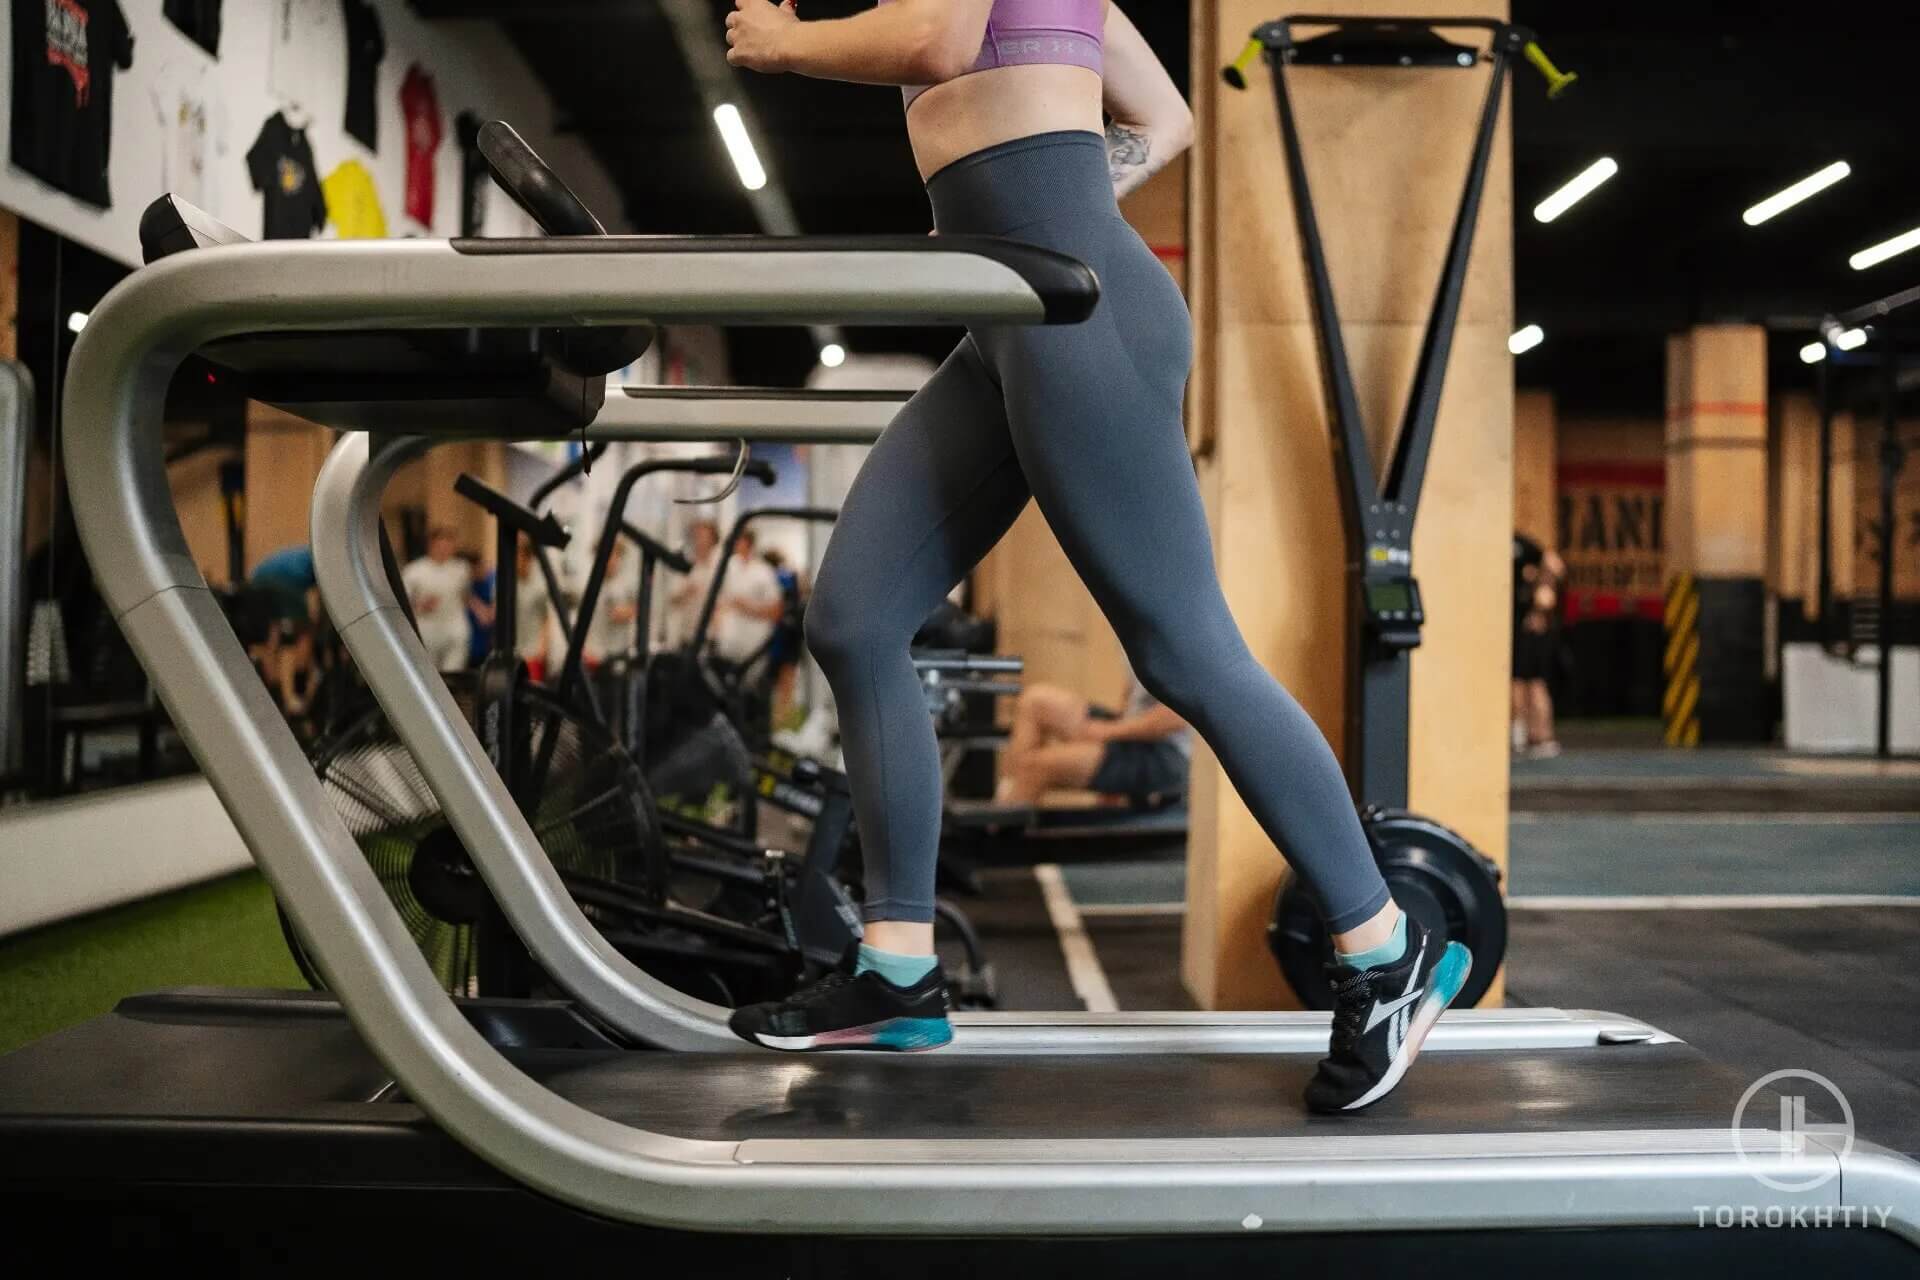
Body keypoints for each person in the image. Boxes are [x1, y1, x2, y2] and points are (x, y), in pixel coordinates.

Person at [722, 0, 1468, 1112]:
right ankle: (896, 968)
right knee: (855, 618)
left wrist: (787, 44)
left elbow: (935, 45)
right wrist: (1046, 200)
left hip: (1075, 314)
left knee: (1185, 649)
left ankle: (1383, 946)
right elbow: (1163, 117)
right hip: (1013, 314)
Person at [996, 664, 1189, 807]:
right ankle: (1013, 794)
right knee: (1034, 701)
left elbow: (1176, 717)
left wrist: (1105, 732)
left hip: (1168, 753)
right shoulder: (1133, 625)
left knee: (1035, 767)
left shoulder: (1176, 634)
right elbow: (1133, 688)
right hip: (1132, 731)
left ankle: (998, 841)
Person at [247, 543, 319, 716]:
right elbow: (325, 604)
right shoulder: (324, 558)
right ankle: (290, 698)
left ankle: (274, 682)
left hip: (257, 578)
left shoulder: (307, 553)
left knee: (275, 634)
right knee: (297, 636)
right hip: (284, 581)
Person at [1511, 533, 1565, 759]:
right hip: (1514, 625)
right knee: (1516, 683)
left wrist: (1540, 605)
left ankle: (1542, 736)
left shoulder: (1521, 543)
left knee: (1533, 683)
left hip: (1531, 629)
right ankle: (1521, 734)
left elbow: (1555, 565)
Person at [401, 527, 478, 671]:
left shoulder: (461, 568)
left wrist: (480, 610)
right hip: (427, 628)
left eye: (449, 545)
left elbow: (465, 594)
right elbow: (403, 602)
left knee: (454, 670)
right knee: (430, 672)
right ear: (431, 545)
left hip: (455, 626)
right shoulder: (414, 570)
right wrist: (420, 606)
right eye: (440, 545)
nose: (444, 549)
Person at [761, 547, 805, 726]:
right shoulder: (789, 576)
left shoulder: (777, 578)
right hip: (788, 635)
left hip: (782, 635)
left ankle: (781, 721)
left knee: (779, 681)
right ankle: (783, 720)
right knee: (786, 681)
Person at [666, 519, 720, 651]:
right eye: (696, 535)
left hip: (713, 636)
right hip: (687, 636)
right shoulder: (685, 566)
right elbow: (672, 600)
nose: (699, 539)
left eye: (703, 536)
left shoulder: (721, 567)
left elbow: (728, 601)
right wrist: (686, 591)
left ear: (713, 539)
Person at [513, 538, 553, 683]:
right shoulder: (507, 582)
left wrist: (543, 646)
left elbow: (546, 618)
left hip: (533, 650)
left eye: (518, 556)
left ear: (527, 558)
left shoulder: (539, 585)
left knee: (532, 689)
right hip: (514, 650)